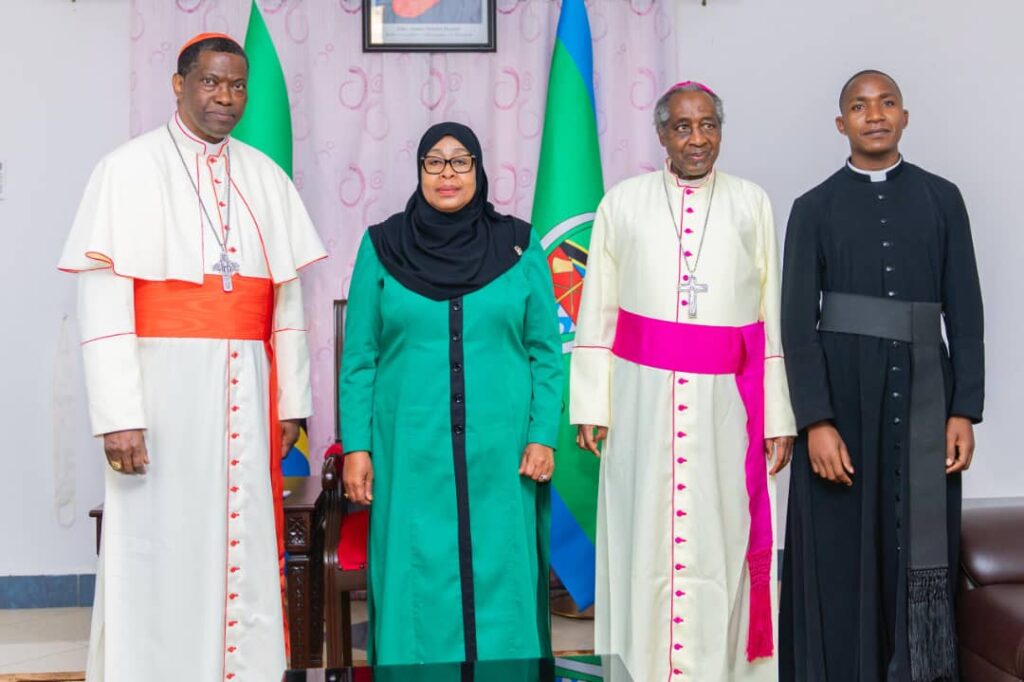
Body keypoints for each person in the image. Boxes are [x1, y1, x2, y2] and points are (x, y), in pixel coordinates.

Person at [58, 33, 326, 682]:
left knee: (243, 542)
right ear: (179, 85)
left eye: (236, 86)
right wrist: (119, 417)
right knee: (162, 546)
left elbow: (285, 303)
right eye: (210, 82)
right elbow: (103, 305)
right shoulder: (126, 169)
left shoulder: (265, 177)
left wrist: (290, 404)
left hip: (247, 394)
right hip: (160, 396)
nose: (224, 97)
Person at [570, 81, 796, 681]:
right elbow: (599, 308)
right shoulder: (622, 203)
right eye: (683, 127)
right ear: (662, 135)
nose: (697, 139)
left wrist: (777, 415)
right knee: (643, 535)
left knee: (722, 536)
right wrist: (591, 403)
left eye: (708, 126)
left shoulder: (751, 202)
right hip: (642, 401)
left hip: (728, 408)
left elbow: (770, 315)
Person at [779, 70, 984, 682]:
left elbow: (966, 310)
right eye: (860, 106)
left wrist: (963, 410)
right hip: (842, 400)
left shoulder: (943, 198)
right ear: (841, 123)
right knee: (841, 547)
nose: (875, 115)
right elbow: (796, 325)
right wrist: (816, 421)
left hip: (926, 393)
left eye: (887, 103)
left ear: (904, 117)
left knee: (921, 543)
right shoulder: (812, 208)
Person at [339, 122, 563, 666]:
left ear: (478, 170)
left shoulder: (519, 244)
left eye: (461, 161)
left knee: (502, 568)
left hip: (502, 453)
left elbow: (545, 351)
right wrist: (357, 447)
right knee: (417, 571)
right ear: (419, 171)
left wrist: (542, 435)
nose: (448, 174)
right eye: (434, 161)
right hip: (410, 451)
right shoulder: (382, 246)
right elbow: (360, 358)